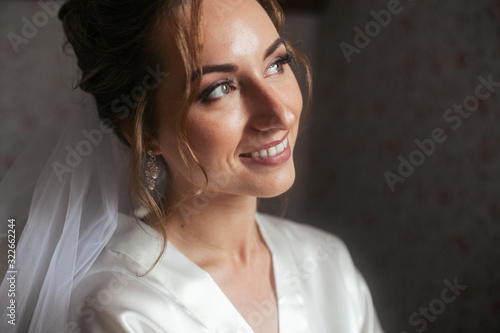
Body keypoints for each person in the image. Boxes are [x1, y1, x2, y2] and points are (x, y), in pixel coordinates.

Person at [0, 0, 384, 332]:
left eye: (276, 63)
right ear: (142, 128)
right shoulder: (120, 309)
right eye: (219, 89)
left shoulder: (329, 261)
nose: (279, 112)